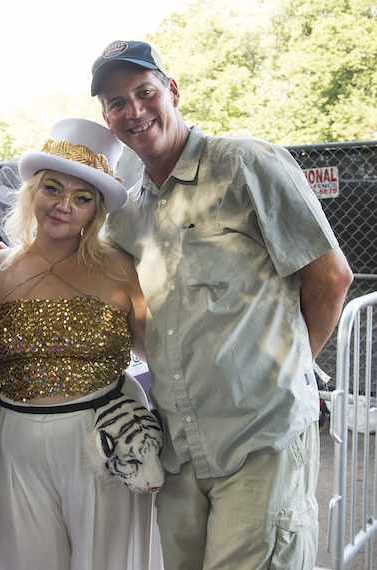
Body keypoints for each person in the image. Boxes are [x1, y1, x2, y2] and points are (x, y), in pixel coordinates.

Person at [90, 40, 354, 569]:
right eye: (117, 102)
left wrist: (287, 369)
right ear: (106, 117)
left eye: (145, 92)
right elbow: (139, 313)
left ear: (173, 91)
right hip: (181, 450)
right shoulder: (125, 212)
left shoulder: (245, 164)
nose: (134, 110)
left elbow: (330, 276)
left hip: (261, 441)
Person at [0, 118, 163, 570]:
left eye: (82, 197)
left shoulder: (122, 268)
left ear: (96, 210)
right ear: (32, 192)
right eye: (52, 189)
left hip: (103, 441)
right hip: (15, 447)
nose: (64, 206)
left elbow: (162, 356)